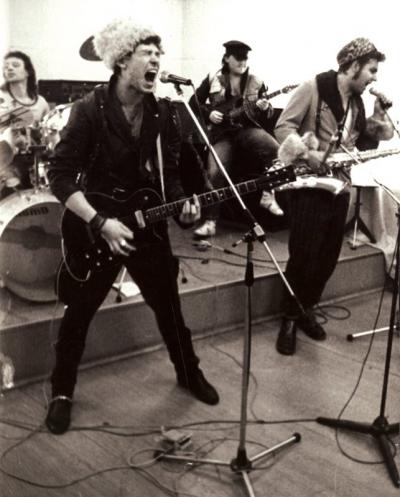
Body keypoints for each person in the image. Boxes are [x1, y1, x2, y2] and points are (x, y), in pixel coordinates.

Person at [45, 19, 219, 435]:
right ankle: (62, 392)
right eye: (148, 53)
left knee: (170, 308)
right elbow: (60, 176)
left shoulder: (164, 111)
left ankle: (188, 372)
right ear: (123, 60)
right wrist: (100, 222)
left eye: (160, 54)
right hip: (96, 227)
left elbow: (170, 174)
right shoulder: (89, 109)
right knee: (79, 314)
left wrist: (184, 210)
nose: (157, 60)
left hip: (147, 226)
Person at [274, 37, 394, 355]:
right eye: (371, 70)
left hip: (340, 187)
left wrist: (378, 117)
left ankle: (306, 307)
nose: (374, 77)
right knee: (303, 254)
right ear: (353, 67)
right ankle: (289, 317)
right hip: (309, 185)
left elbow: (362, 144)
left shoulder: (356, 103)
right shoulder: (313, 87)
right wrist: (307, 153)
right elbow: (282, 127)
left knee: (328, 257)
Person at [190, 40, 283, 239]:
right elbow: (193, 102)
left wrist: (265, 108)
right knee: (215, 171)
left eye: (245, 58)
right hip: (221, 134)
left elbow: (267, 113)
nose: (243, 62)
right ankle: (210, 221)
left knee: (276, 150)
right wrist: (208, 113)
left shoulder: (256, 81)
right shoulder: (213, 78)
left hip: (246, 130)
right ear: (226, 58)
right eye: (238, 58)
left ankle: (268, 195)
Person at [0, 51, 50, 193]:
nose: (9, 68)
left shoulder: (41, 102)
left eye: (15, 65)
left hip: (34, 161)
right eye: (6, 66)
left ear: (28, 72)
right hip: (5, 161)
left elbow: (46, 135)